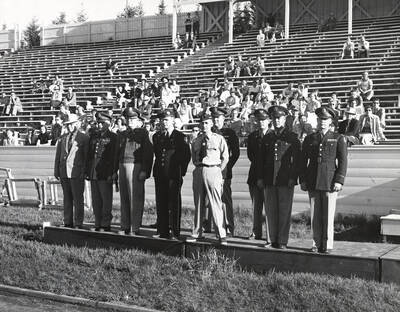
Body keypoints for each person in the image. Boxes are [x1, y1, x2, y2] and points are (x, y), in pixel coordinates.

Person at [300, 106, 348, 253]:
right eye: (320, 119)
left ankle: (327, 245)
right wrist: (303, 179)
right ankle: (316, 243)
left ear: (331, 121)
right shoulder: (310, 138)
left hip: (330, 181)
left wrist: (339, 180)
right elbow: (303, 161)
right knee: (315, 215)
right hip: (313, 180)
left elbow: (343, 162)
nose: (322, 122)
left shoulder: (338, 138)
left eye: (325, 119)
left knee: (328, 216)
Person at [257, 106, 301, 249]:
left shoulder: (292, 137)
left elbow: (297, 161)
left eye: (279, 118)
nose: (277, 120)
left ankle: (282, 241)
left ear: (284, 119)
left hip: (285, 179)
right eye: (274, 118)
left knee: (284, 211)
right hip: (269, 179)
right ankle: (271, 239)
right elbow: (261, 160)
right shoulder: (267, 137)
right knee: (270, 210)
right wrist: (260, 178)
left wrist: (293, 178)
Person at [189, 113, 229, 245]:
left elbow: (225, 157)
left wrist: (219, 171)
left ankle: (221, 234)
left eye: (206, 123)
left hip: (213, 170)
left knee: (215, 202)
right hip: (199, 170)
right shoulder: (196, 140)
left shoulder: (219, 139)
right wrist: (198, 166)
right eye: (202, 123)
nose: (204, 125)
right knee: (199, 203)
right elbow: (194, 157)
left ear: (211, 124)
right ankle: (197, 232)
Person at [152, 110, 191, 239]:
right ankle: (162, 231)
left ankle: (175, 232)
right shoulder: (157, 136)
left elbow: (186, 155)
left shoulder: (179, 136)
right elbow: (158, 155)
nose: (164, 122)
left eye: (167, 120)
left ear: (173, 121)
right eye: (162, 120)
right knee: (161, 202)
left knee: (174, 204)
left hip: (174, 175)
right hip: (160, 174)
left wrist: (181, 171)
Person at [117, 108, 153, 235]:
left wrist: (144, 170)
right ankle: (125, 226)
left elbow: (148, 154)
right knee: (124, 198)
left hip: (135, 166)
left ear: (138, 120)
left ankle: (134, 227)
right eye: (127, 119)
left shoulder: (143, 134)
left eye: (132, 119)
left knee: (135, 198)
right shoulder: (122, 134)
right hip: (122, 165)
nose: (129, 121)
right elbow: (118, 152)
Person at [208, 107, 240, 236]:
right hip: (210, 171)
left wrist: (227, 166)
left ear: (223, 119)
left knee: (225, 200)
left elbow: (235, 153)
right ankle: (208, 226)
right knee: (208, 199)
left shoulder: (230, 133)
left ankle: (228, 226)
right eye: (214, 118)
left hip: (224, 172)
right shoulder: (208, 131)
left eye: (218, 118)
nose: (216, 120)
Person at [54, 114, 89, 229]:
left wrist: (84, 171)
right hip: (64, 172)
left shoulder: (83, 137)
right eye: (67, 125)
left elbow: (86, 157)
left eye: (71, 124)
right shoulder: (62, 138)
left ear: (76, 124)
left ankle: (78, 222)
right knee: (67, 198)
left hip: (76, 172)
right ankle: (67, 221)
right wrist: (56, 170)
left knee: (78, 199)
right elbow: (58, 155)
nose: (69, 127)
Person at [86, 113, 119, 232]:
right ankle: (97, 222)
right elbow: (89, 155)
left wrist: (113, 172)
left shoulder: (113, 137)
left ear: (109, 123)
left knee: (106, 199)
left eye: (102, 122)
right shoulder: (94, 136)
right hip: (93, 171)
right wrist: (87, 171)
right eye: (98, 122)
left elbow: (114, 156)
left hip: (105, 171)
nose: (99, 125)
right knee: (96, 200)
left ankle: (105, 223)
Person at [247, 109, 271, 240]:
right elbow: (251, 155)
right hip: (255, 174)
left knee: (268, 206)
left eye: (264, 120)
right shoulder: (253, 136)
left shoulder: (272, 135)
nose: (261, 123)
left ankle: (269, 233)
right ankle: (256, 231)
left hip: (268, 175)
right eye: (259, 120)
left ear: (268, 121)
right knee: (256, 205)